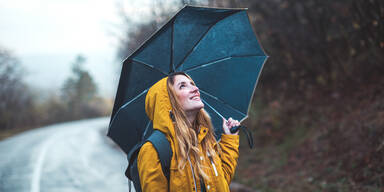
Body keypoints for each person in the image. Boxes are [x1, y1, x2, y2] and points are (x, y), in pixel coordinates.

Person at [138, 72, 240, 192]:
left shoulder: (203, 139)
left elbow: (221, 183)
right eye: (183, 86)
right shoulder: (153, 150)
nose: (195, 88)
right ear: (168, 101)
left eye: (192, 84)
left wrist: (230, 139)